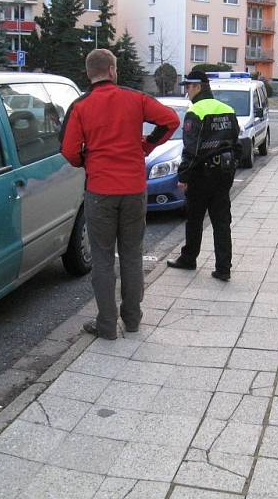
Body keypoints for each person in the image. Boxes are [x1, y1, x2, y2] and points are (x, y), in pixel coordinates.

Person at [61, 48, 179, 340]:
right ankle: (133, 319)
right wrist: (148, 145)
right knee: (131, 255)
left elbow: (68, 151)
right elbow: (170, 121)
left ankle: (106, 325)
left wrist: (86, 160)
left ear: (89, 74)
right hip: (134, 190)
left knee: (101, 258)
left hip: (100, 191)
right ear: (113, 70)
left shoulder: (80, 106)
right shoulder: (135, 98)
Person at [166, 69, 241, 281]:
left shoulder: (195, 111)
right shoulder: (227, 109)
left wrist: (183, 177)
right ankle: (223, 268)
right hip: (223, 173)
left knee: (195, 219)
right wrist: (231, 166)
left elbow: (191, 148)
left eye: (189, 86)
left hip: (201, 174)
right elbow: (237, 144)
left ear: (199, 87)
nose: (187, 91)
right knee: (221, 222)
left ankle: (189, 258)